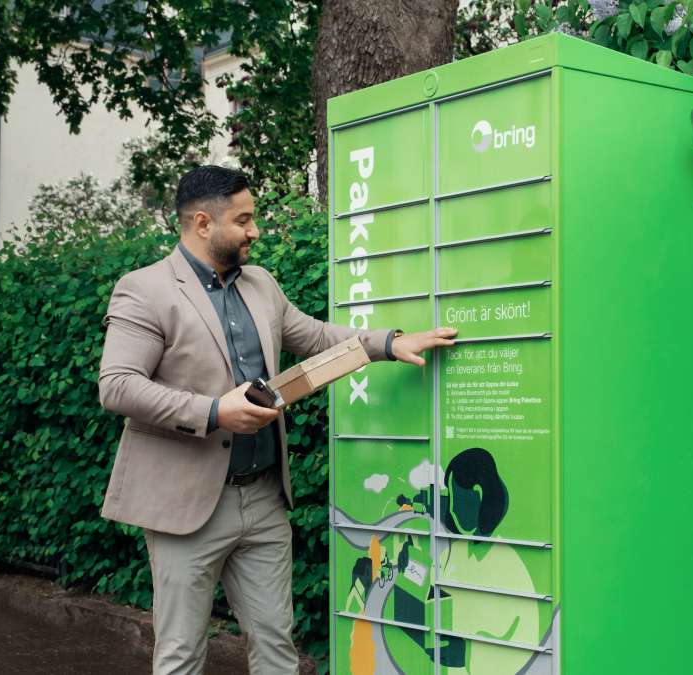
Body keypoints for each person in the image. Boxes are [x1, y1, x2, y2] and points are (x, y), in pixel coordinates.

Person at [97, 165, 457, 674]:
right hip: (186, 507)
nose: (255, 231)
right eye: (244, 220)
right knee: (181, 653)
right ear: (203, 224)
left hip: (265, 498)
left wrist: (389, 343)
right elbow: (117, 385)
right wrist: (215, 411)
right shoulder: (145, 290)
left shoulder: (262, 284)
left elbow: (314, 338)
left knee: (277, 650)